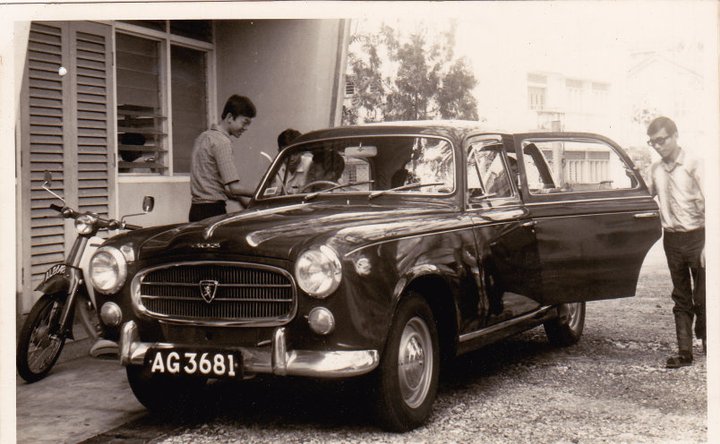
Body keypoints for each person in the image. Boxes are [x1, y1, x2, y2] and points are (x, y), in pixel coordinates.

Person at [645, 116, 705, 369]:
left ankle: (709, 340)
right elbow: (645, 198)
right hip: (672, 240)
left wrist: (709, 245)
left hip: (699, 237)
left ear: (675, 135)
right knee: (681, 297)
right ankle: (685, 352)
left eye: (662, 140)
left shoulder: (694, 164)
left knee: (704, 296)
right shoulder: (655, 170)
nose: (658, 146)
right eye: (653, 142)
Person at [188, 95, 257, 222]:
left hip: (195, 211)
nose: (246, 128)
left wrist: (241, 199)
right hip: (213, 211)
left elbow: (214, 185)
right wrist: (262, 192)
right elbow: (234, 188)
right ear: (230, 117)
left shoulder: (202, 137)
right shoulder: (222, 142)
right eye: (245, 122)